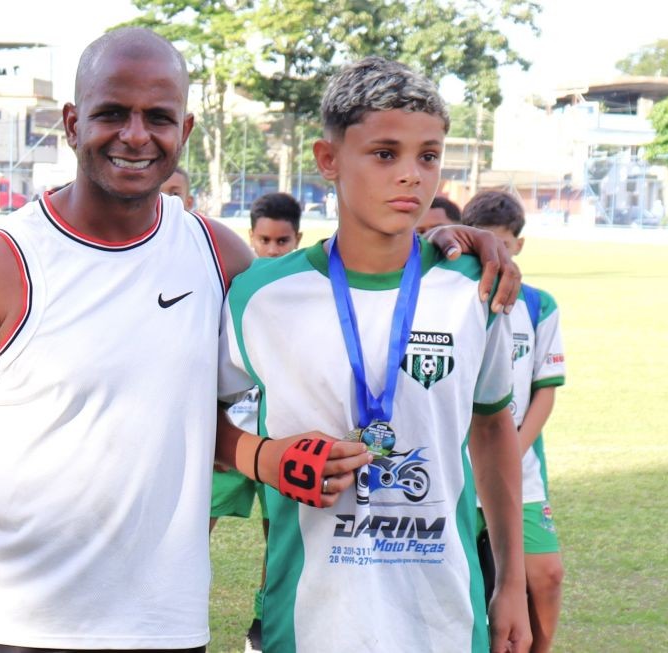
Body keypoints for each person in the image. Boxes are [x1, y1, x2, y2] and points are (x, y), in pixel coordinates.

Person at [0, 28, 520, 653]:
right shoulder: (1, 266)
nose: (136, 135)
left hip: (167, 627)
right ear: (71, 122)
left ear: (185, 131)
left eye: (158, 117)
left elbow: (208, 396)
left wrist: (459, 244)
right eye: (112, 112)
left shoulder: (219, 258)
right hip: (12, 626)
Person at [215, 57, 531, 652]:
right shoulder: (261, 297)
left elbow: (492, 431)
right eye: (385, 154)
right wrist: (265, 457)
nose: (411, 175)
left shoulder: (475, 288)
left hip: (441, 618)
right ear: (328, 159)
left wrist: (510, 581)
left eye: (428, 155)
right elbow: (193, 421)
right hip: (312, 619)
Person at [462, 189, 566, 653]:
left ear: (518, 245)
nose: (494, 253)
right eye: (484, 241)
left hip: (517, 469)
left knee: (545, 573)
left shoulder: (540, 305)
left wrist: (513, 449)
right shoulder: (451, 298)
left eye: (502, 242)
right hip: (457, 469)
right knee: (464, 580)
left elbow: (546, 389)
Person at [217, 191, 304, 652]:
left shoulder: (309, 289)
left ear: (298, 239)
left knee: (280, 537)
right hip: (229, 433)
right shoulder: (237, 282)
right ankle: (181, 611)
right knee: (193, 529)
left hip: (278, 436)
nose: (272, 249)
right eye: (264, 240)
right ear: (251, 237)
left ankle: (265, 620)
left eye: (282, 241)